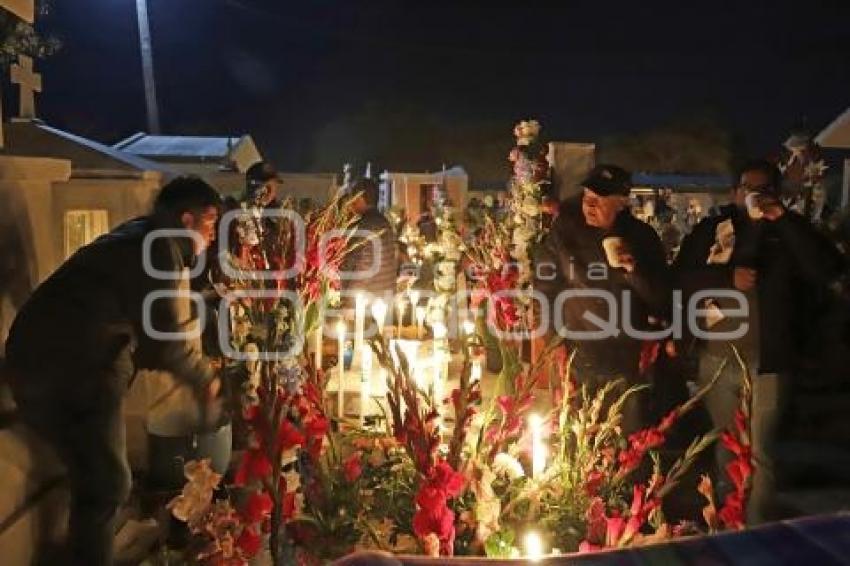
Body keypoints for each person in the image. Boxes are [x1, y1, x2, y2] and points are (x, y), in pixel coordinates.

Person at [5, 177, 223, 565]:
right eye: (209, 224)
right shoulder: (157, 248)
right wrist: (205, 381)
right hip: (70, 367)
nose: (211, 235)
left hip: (49, 360)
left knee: (98, 476)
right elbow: (164, 342)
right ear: (187, 219)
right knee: (108, 483)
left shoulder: (142, 238)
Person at [673, 159, 843, 524]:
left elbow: (825, 269)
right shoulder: (711, 230)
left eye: (763, 189)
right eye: (747, 187)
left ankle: (754, 532)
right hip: (717, 359)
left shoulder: (789, 232)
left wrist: (782, 218)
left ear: (776, 193)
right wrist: (726, 279)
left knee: (761, 452)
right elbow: (682, 279)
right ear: (735, 192)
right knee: (725, 447)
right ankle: (726, 526)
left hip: (768, 362)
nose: (754, 195)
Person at [536, 165, 671, 434]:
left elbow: (662, 298)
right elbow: (545, 287)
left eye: (599, 199)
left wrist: (633, 273)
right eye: (587, 196)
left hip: (625, 355)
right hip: (577, 350)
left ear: (621, 202)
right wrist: (554, 341)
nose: (589, 204)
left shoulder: (642, 238)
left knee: (626, 436)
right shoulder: (565, 233)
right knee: (575, 436)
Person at [342, 178, 398, 308]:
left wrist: (349, 303)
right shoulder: (382, 221)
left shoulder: (367, 224)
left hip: (366, 302)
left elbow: (365, 265)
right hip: (382, 295)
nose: (350, 203)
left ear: (360, 198)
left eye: (352, 198)